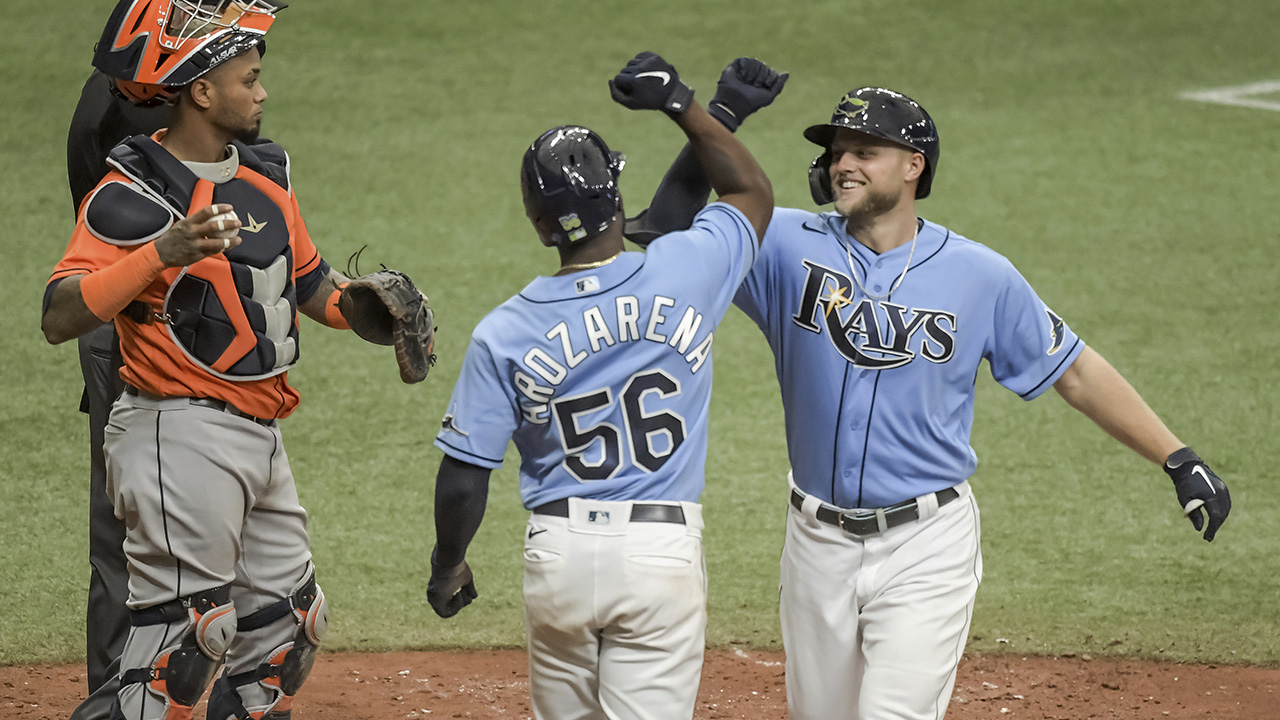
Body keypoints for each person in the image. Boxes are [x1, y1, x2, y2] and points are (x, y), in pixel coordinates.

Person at [631, 78, 1232, 719]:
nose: (844, 164)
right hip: (815, 543)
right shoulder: (781, 244)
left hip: (926, 544)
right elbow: (666, 224)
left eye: (866, 150)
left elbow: (1075, 370)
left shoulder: (979, 275)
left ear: (914, 166)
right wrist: (713, 114)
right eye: (838, 151)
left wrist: (1177, 457)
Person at [42, 2, 430, 718]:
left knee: (286, 633)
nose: (263, 93)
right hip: (174, 432)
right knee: (184, 643)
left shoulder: (265, 179)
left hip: (261, 434)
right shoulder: (130, 193)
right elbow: (61, 315)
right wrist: (163, 252)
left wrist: (372, 310)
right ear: (202, 92)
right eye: (249, 80)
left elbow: (309, 285)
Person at [425, 51, 774, 720]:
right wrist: (691, 106)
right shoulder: (684, 271)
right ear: (616, 195)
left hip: (559, 556)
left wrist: (448, 567)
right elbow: (748, 193)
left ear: (537, 223)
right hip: (657, 555)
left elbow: (465, 476)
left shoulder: (505, 330)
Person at [64, 65, 168, 720]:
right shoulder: (134, 103)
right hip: (133, 325)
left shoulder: (118, 86)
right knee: (125, 527)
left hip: (143, 322)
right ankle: (113, 705)